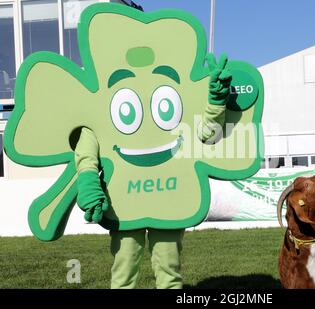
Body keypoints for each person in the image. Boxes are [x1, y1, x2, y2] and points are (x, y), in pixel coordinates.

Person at [74, 53, 232, 289]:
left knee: (169, 271)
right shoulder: (100, 91)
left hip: (168, 197)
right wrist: (87, 179)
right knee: (123, 271)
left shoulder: (174, 83)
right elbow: (89, 140)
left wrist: (216, 102)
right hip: (123, 202)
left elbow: (208, 134)